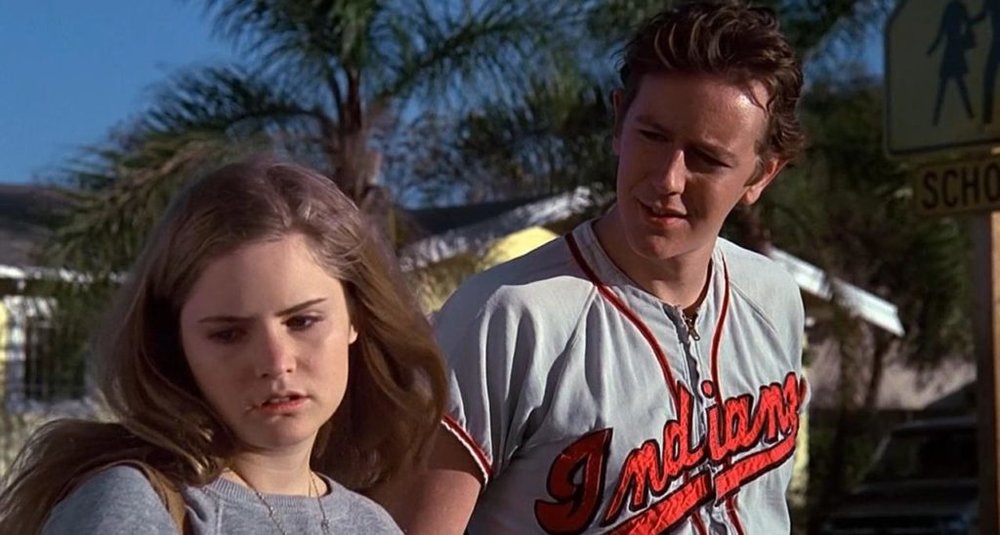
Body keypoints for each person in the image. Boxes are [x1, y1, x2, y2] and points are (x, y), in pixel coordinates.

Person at [394, 1, 809, 533]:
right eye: (652, 136)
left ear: (761, 175)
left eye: (707, 158)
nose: (668, 179)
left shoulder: (773, 297)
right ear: (618, 121)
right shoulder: (508, 316)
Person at [0, 159, 447, 534]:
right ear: (173, 342)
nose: (275, 362)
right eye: (229, 334)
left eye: (302, 321)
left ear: (356, 317)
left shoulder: (373, 525)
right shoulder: (134, 505)